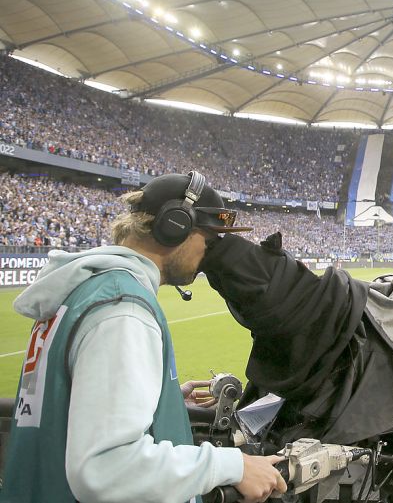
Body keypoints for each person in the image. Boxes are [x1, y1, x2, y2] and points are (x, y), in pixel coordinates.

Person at [1, 172, 287, 503]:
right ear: (175, 226)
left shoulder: (86, 291)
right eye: (209, 238)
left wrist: (158, 406)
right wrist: (232, 466)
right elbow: (106, 468)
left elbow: (69, 407)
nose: (209, 252)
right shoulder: (123, 309)